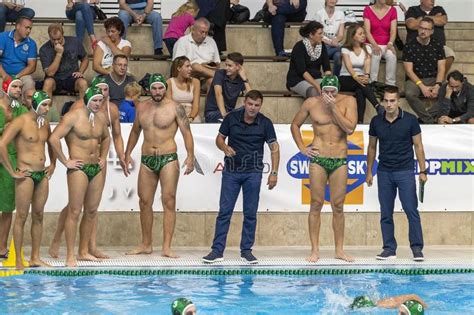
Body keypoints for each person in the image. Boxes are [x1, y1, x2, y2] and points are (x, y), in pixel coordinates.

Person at [48, 76, 126, 260]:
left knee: (91, 210)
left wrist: (104, 157)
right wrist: (66, 161)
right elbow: (53, 138)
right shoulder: (74, 115)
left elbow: (107, 138)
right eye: (95, 100)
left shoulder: (100, 117)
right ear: (88, 99)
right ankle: (69, 254)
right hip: (79, 167)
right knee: (75, 210)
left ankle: (83, 251)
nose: (99, 103)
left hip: (95, 167)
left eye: (101, 100)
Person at [202, 90, 280, 264]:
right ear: (244, 103)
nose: (253, 108)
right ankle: (217, 251)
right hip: (231, 172)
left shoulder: (265, 123)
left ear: (260, 105)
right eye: (250, 104)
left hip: (253, 172)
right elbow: (219, 139)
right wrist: (224, 147)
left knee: (250, 213)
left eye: (256, 105)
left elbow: (275, 147)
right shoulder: (231, 118)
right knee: (225, 212)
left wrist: (274, 172)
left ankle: (246, 251)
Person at [124, 74, 195, 257]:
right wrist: (127, 153)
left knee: (168, 200)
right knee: (144, 201)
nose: (157, 92)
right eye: (154, 88)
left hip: (168, 158)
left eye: (160, 88)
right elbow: (135, 132)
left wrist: (190, 155)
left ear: (165, 88)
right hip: (147, 159)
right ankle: (146, 244)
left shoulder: (175, 108)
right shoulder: (142, 107)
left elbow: (187, 133)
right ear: (149, 89)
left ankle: (166, 247)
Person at [290, 76, 357, 263]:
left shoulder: (348, 101)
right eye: (326, 91)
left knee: (338, 205)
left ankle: (339, 250)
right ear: (321, 90)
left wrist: (334, 107)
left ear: (338, 90)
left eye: (332, 91)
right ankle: (315, 250)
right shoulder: (311, 103)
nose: (329, 95)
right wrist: (302, 148)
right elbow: (295, 125)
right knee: (316, 204)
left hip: (339, 159)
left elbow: (350, 128)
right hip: (318, 159)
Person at [366, 86, 427, 261]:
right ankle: (389, 249)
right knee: (386, 212)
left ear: (398, 101)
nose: (389, 104)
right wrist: (369, 171)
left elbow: (418, 146)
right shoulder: (376, 121)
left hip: (405, 171)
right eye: (386, 100)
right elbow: (371, 147)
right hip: (384, 172)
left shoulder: (410, 120)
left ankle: (416, 248)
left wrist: (423, 171)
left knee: (410, 210)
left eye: (392, 100)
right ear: (382, 101)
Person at [0, 90, 56, 270]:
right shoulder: (21, 121)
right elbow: (2, 144)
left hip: (42, 175)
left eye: (49, 105)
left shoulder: (45, 124)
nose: (47, 109)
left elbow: (52, 143)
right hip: (26, 174)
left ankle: (35, 257)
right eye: (45, 105)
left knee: (38, 215)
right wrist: (12, 171)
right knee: (22, 217)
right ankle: (18, 260)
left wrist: (53, 163)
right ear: (36, 104)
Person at [0, 76, 28, 259]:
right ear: (6, 88)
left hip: (11, 159)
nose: (19, 90)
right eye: (15, 87)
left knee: (8, 206)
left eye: (20, 87)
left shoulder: (22, 110)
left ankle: (1, 247)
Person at [403, 17, 446, 124]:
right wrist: (422, 86)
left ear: (431, 31)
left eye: (426, 29)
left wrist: (437, 85)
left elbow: (441, 68)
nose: (423, 31)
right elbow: (409, 70)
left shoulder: (438, 45)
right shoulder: (409, 45)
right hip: (415, 79)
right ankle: (429, 120)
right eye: (421, 28)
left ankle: (423, 118)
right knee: (409, 93)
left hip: (433, 78)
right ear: (417, 29)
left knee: (449, 92)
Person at [339, 24, 383, 123]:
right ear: (353, 36)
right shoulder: (345, 49)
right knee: (361, 84)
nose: (364, 35)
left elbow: (367, 65)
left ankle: (360, 122)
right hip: (346, 78)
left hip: (360, 79)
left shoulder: (367, 48)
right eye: (360, 34)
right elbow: (348, 66)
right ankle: (377, 106)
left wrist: (367, 76)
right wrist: (357, 77)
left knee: (360, 91)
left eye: (364, 33)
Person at [39, 23, 89, 103]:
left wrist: (81, 71)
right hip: (55, 79)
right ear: (49, 36)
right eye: (53, 39)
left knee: (83, 83)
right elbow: (50, 73)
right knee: (48, 83)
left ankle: (85, 112)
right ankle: (45, 113)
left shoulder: (75, 42)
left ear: (63, 34)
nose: (56, 42)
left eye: (59, 39)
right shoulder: (44, 49)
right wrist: (59, 54)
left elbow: (85, 59)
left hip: (72, 77)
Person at [405, 0, 455, 73]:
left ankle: (439, 78)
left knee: (449, 53)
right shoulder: (412, 10)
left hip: (438, 46)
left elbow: (443, 21)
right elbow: (411, 25)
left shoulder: (439, 9)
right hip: (417, 45)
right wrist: (435, 18)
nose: (432, 1)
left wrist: (422, 18)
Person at [286, 21, 331, 98]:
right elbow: (302, 71)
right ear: (311, 35)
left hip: (316, 77)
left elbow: (326, 67)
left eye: (322, 33)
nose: (322, 36)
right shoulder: (299, 47)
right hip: (298, 79)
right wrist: (317, 86)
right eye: (320, 34)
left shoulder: (322, 45)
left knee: (331, 89)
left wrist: (328, 82)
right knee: (314, 91)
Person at [172, 18, 220, 90]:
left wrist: (203, 67)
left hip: (206, 77)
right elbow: (177, 65)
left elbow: (217, 65)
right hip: (188, 77)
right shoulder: (182, 42)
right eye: (201, 32)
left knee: (212, 81)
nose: (204, 35)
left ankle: (210, 100)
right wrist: (198, 67)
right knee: (195, 66)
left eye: (206, 33)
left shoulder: (211, 41)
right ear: (193, 30)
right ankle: (222, 78)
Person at [204, 52, 250, 123]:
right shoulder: (220, 73)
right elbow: (218, 94)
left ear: (238, 67)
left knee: (248, 110)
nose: (226, 68)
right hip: (214, 113)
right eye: (226, 65)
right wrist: (224, 115)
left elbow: (252, 98)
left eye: (229, 66)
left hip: (230, 113)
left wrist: (244, 78)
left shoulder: (241, 79)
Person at [363, 0, 398, 86]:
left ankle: (390, 86)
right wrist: (375, 45)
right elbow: (367, 31)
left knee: (392, 56)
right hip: (371, 43)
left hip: (386, 44)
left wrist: (390, 43)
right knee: (375, 55)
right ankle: (372, 84)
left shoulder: (392, 10)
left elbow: (393, 31)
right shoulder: (367, 9)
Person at [0, 17, 37, 92]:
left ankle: (25, 104)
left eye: (30, 28)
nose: (29, 31)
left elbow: (32, 66)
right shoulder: (2, 37)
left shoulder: (31, 43)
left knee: (29, 82)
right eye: (26, 28)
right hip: (2, 74)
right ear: (17, 26)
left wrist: (16, 77)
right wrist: (4, 75)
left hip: (21, 76)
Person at [166, 56, 201, 123]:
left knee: (196, 123)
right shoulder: (169, 82)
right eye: (187, 66)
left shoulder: (196, 82)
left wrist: (191, 118)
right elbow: (169, 105)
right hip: (175, 113)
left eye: (190, 66)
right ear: (179, 68)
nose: (190, 69)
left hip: (191, 113)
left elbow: (196, 105)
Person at [314, 0, 345, 76]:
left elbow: (341, 35)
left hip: (335, 45)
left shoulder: (340, 14)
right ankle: (344, 49)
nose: (332, 0)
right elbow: (316, 35)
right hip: (323, 45)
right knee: (342, 49)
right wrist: (330, 42)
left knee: (338, 56)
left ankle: (335, 79)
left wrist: (335, 40)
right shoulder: (319, 13)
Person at [350, 294, 427, 314]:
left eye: (402, 314)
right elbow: (413, 296)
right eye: (399, 312)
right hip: (366, 303)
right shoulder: (393, 304)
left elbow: (414, 296)